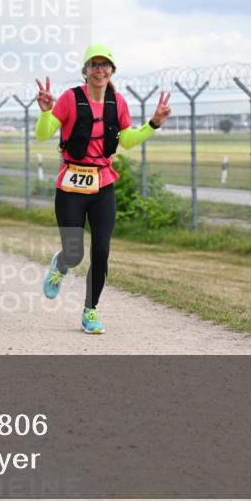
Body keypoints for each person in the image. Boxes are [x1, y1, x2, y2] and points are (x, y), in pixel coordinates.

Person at [35, 44, 172, 335]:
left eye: (105, 65)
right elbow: (43, 134)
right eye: (94, 65)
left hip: (103, 185)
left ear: (112, 71)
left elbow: (128, 140)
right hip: (71, 185)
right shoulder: (71, 99)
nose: (100, 70)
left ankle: (90, 310)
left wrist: (153, 124)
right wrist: (46, 112)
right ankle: (61, 264)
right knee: (75, 253)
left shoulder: (117, 102)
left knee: (101, 250)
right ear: (85, 70)